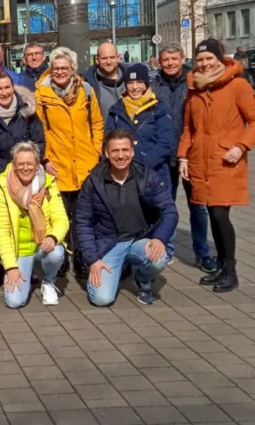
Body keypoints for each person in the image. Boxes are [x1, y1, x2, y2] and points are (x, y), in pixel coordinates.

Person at [178, 39, 255, 293]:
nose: (204, 64)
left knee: (219, 214)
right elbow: (188, 128)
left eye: (209, 59)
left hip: (225, 161)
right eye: (200, 59)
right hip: (200, 161)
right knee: (212, 213)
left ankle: (230, 269)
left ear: (220, 59)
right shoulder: (194, 89)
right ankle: (221, 265)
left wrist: (241, 146)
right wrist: (183, 157)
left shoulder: (237, 85)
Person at [76, 129, 178, 307]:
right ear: (106, 153)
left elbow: (170, 210)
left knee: (159, 257)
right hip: (108, 243)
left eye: (125, 150)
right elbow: (83, 222)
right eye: (115, 151)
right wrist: (92, 259)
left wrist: (159, 238)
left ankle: (143, 278)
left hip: (140, 240)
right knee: (101, 299)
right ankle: (118, 267)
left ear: (132, 151)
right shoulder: (93, 182)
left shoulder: (147, 176)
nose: (120, 155)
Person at [36, 47, 103, 277]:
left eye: (65, 68)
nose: (61, 72)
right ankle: (61, 260)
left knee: (84, 217)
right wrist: (45, 160)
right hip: (57, 165)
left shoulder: (86, 91)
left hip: (85, 163)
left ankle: (84, 259)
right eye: (56, 68)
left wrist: (95, 153)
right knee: (59, 216)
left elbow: (97, 124)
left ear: (73, 69)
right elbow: (40, 130)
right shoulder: (42, 95)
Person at [151, 44, 217, 272]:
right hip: (164, 157)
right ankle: (166, 250)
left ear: (182, 59)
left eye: (174, 59)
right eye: (166, 59)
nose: (170, 63)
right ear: (159, 62)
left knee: (197, 206)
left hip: (191, 156)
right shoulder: (153, 86)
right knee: (164, 205)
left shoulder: (195, 83)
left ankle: (202, 252)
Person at [0, 141, 68, 308]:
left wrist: (53, 237)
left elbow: (61, 219)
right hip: (20, 250)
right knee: (14, 302)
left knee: (57, 253)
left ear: (37, 165)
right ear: (13, 165)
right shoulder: (3, 187)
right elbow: (1, 231)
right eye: (20, 164)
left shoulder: (49, 184)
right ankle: (27, 269)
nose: (25, 168)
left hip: (43, 245)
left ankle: (48, 281)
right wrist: (11, 267)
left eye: (30, 163)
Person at [104, 63, 175, 183]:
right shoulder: (116, 110)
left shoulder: (159, 108)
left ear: (146, 84)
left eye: (139, 82)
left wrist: (142, 165)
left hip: (155, 174)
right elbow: (108, 141)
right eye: (130, 83)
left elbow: (165, 142)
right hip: (123, 176)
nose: (135, 87)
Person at [0, 73, 44, 176]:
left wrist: (25, 167)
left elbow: (39, 143)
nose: (4, 92)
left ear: (13, 88)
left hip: (27, 171)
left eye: (7, 87)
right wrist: (2, 174)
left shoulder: (27, 111)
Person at [82, 42, 126, 118]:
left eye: (112, 57)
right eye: (104, 58)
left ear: (118, 58)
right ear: (97, 59)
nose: (108, 62)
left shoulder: (131, 80)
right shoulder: (87, 83)